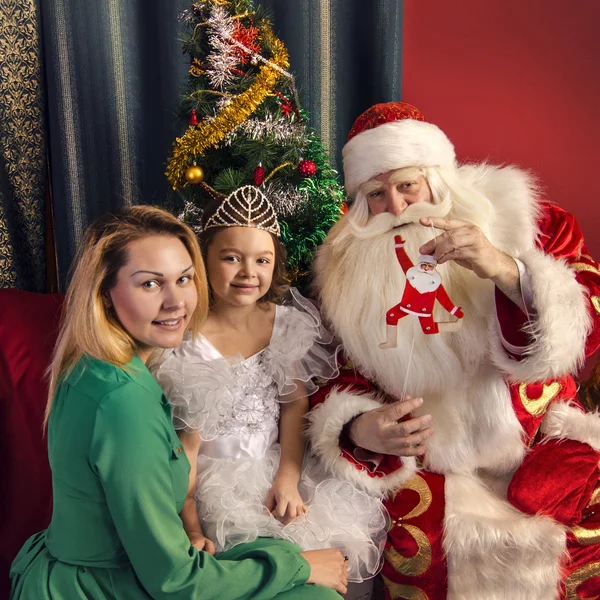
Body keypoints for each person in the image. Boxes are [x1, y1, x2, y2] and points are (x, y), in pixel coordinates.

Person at [306, 102, 600, 599]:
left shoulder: (528, 220)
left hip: (540, 438)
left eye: (408, 186)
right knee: (422, 554)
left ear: (437, 179)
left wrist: (506, 270)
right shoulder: (343, 271)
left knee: (577, 535)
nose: (398, 208)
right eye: (376, 194)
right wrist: (359, 426)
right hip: (432, 465)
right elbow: (335, 375)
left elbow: (587, 323)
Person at [9, 205, 347, 599]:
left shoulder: (107, 367)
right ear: (105, 293)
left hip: (136, 566)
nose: (176, 302)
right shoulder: (123, 402)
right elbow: (175, 580)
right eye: (150, 284)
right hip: (107, 585)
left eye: (184, 279)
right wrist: (299, 565)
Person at [152, 186, 389, 585]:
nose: (249, 272)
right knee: (249, 564)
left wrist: (288, 477)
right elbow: (185, 444)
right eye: (231, 258)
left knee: (310, 547)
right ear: (202, 261)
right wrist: (190, 520)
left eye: (262, 260)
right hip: (213, 482)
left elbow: (295, 406)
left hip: (278, 465)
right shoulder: (187, 339)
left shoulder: (284, 325)